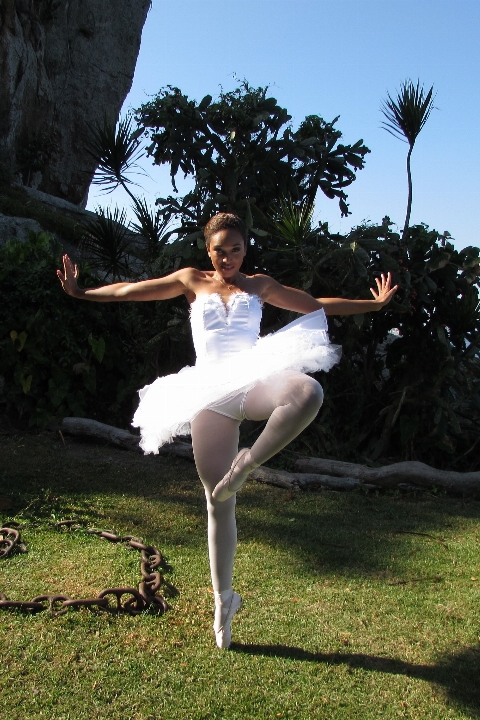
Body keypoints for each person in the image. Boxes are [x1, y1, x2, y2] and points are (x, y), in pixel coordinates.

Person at [57, 211, 397, 649]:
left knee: (308, 392)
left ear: (244, 248)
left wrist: (373, 305)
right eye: (220, 250)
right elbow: (129, 291)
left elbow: (318, 304)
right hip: (208, 393)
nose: (228, 257)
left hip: (254, 380)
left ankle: (248, 463)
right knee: (217, 500)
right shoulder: (190, 280)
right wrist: (81, 291)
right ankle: (224, 600)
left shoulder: (259, 285)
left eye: (236, 249)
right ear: (208, 249)